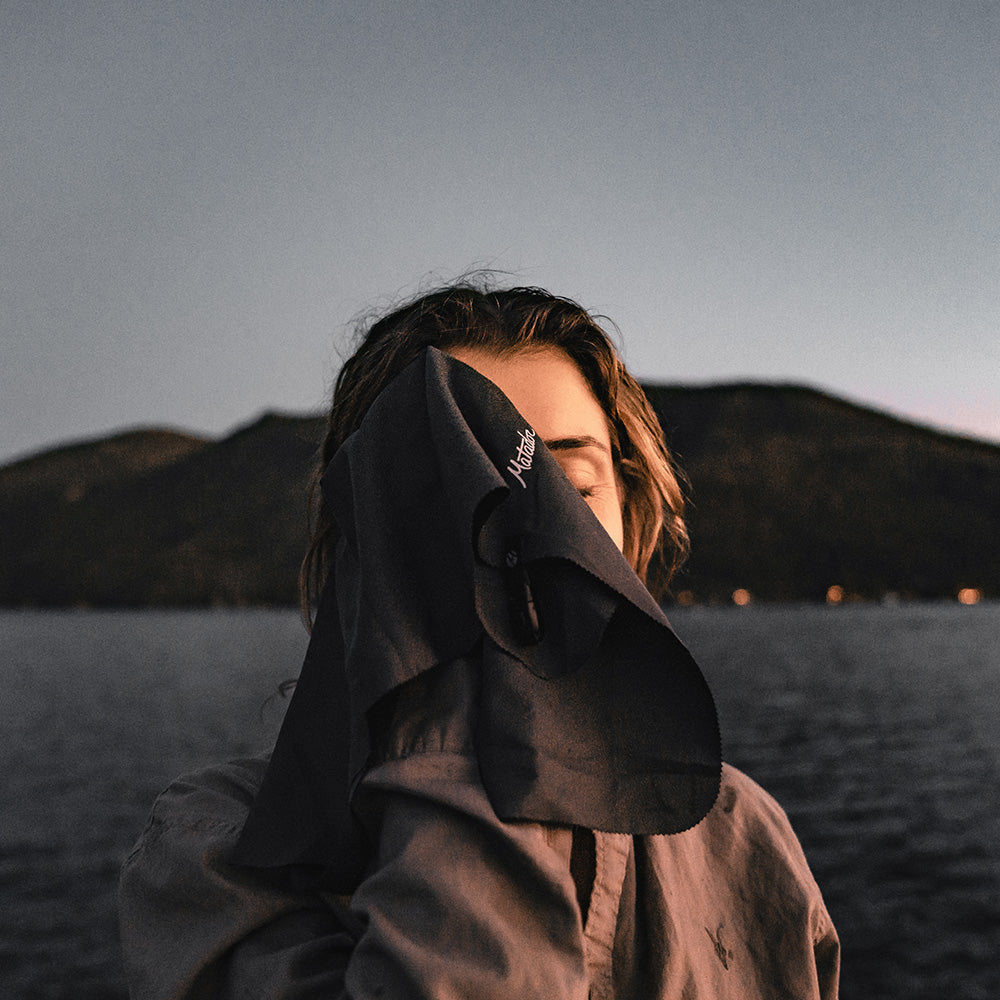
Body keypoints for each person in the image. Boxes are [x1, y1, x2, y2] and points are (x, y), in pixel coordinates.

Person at [118, 282, 840, 998]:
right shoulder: (214, 847)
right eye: (461, 486)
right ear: (370, 539)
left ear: (634, 518)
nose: (526, 530)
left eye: (572, 488)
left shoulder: (741, 831)